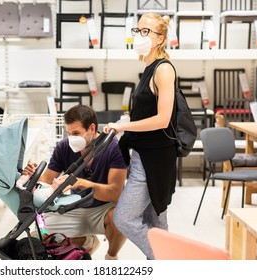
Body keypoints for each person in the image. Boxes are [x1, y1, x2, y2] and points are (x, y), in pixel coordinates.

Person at [103, 13, 177, 260]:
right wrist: (124, 126)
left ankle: (164, 258)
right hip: (144, 154)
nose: (139, 36)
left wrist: (125, 126)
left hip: (154, 159)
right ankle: (161, 262)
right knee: (154, 222)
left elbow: (162, 119)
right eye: (137, 30)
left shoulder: (163, 70)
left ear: (160, 39)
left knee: (124, 218)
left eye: (146, 32)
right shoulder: (148, 68)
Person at [23, 104, 128, 260]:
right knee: (39, 235)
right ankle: (87, 241)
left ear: (92, 128)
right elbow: (46, 181)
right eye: (69, 133)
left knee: (122, 216)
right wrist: (32, 177)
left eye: (76, 133)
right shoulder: (64, 146)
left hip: (103, 209)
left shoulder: (114, 148)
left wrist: (81, 183)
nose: (71, 138)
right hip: (74, 205)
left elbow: (116, 194)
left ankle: (111, 256)